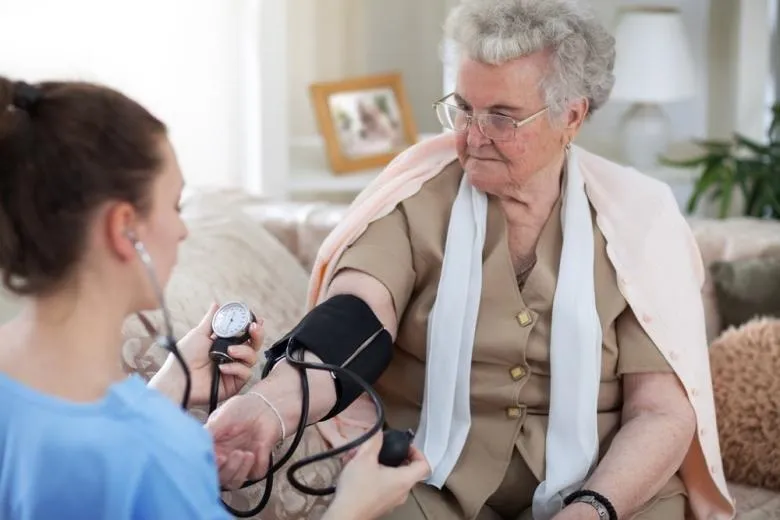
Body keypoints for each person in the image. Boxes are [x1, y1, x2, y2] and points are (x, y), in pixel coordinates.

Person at [205, 1, 736, 519]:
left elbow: (659, 411)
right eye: (463, 108)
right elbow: (356, 316)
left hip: (605, 484)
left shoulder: (640, 220)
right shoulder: (415, 197)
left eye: (502, 117)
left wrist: (592, 509)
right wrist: (271, 406)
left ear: (570, 116)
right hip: (428, 476)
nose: (471, 136)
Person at [0, 77, 428, 520]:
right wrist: (356, 507)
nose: (183, 230)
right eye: (175, 205)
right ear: (124, 227)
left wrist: (169, 389)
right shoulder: (155, 457)